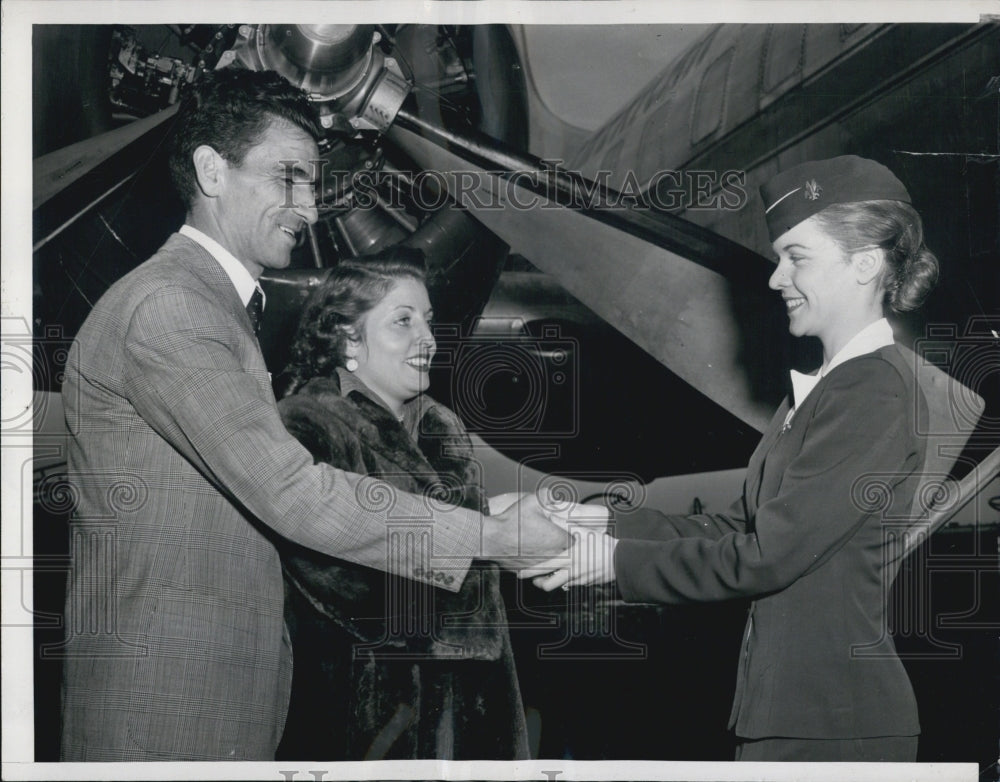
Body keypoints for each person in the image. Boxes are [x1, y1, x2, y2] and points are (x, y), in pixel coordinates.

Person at [59, 67, 566, 762]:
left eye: (312, 180)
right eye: (287, 177)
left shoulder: (207, 307)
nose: (311, 204)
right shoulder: (172, 308)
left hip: (213, 705)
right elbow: (293, 492)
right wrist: (494, 538)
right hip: (169, 712)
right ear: (212, 171)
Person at [530, 155, 939, 762]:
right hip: (794, 714)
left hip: (835, 727)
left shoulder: (872, 389)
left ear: (865, 263)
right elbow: (744, 529)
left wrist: (614, 563)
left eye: (796, 256)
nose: (776, 278)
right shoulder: (825, 388)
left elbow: (769, 556)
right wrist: (599, 522)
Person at [271, 248, 529, 760]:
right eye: (403, 321)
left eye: (428, 322)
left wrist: (498, 525)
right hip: (368, 721)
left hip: (474, 711)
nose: (427, 339)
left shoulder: (442, 428)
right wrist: (490, 546)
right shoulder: (305, 423)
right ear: (349, 336)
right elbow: (333, 569)